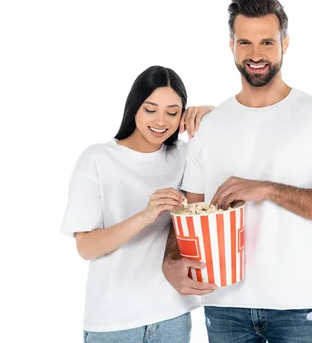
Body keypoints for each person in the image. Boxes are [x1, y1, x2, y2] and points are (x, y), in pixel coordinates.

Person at [162, 0, 312, 342]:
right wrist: (171, 263)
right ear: (231, 46)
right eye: (245, 42)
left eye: (267, 42)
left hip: (298, 307)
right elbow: (187, 214)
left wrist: (268, 189)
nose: (256, 54)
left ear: (285, 42)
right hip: (224, 307)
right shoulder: (208, 125)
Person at [61, 65, 215, 342]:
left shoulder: (184, 154)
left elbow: (236, 135)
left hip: (172, 317)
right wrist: (145, 216)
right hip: (114, 322)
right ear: (134, 108)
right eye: (150, 109)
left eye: (172, 112)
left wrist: (209, 112)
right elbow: (85, 247)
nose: (161, 121)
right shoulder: (97, 159)